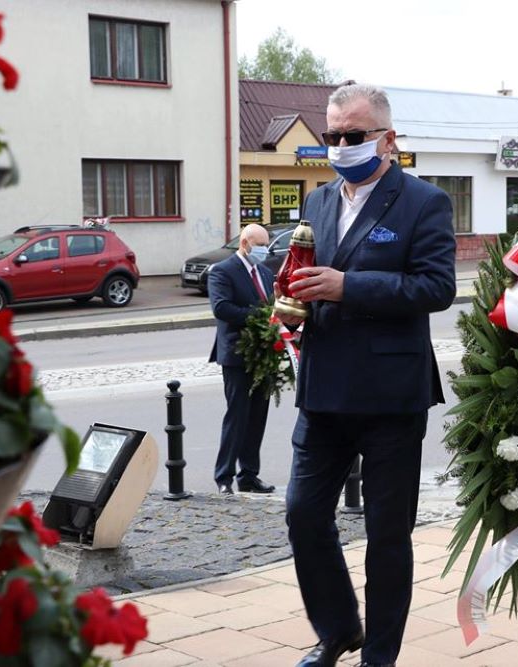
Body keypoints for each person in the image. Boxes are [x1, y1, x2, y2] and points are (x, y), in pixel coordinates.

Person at [276, 84, 456, 667]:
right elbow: (305, 272)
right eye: (333, 136)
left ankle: (378, 655)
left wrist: (349, 286)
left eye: (354, 136)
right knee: (303, 513)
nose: (341, 146)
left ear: (387, 138)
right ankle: (338, 629)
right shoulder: (319, 201)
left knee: (386, 535)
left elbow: (437, 288)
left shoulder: (423, 201)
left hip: (389, 396)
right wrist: (292, 301)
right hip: (324, 388)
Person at [207, 223, 275, 495]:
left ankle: (249, 475)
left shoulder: (266, 271)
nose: (263, 251)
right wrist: (261, 319)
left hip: (264, 354)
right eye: (259, 245)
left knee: (258, 416)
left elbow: (273, 303)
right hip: (237, 353)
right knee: (237, 416)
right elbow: (222, 308)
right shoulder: (222, 271)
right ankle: (224, 476)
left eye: (265, 245)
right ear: (244, 244)